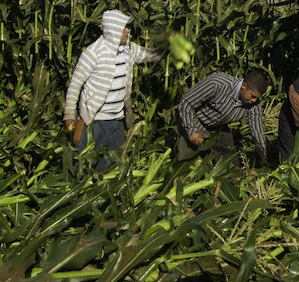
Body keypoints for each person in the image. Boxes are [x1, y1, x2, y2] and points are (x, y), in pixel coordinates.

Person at [63, 9, 162, 171]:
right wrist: (69, 114)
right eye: (124, 27)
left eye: (128, 27)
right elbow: (75, 83)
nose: (128, 31)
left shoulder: (128, 50)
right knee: (82, 167)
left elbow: (148, 55)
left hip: (117, 122)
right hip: (94, 122)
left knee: (110, 169)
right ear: (113, 29)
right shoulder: (94, 53)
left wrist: (169, 51)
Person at [175, 68, 271, 165]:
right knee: (184, 165)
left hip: (218, 128)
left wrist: (263, 156)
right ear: (244, 86)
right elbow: (187, 102)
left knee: (230, 167)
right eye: (253, 96)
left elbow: (257, 131)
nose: (254, 101)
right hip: (194, 122)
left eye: (257, 98)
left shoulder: (253, 105)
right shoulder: (217, 84)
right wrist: (191, 130)